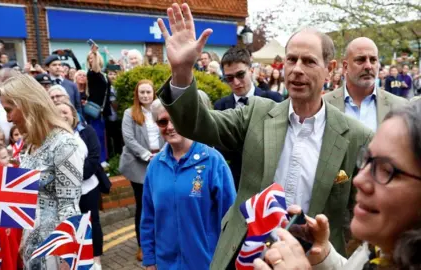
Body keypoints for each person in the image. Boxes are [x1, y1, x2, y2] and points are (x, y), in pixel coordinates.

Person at [155, 4, 373, 269]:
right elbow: (197, 124)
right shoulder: (257, 113)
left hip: (313, 261)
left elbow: (362, 216)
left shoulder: (356, 136)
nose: (296, 69)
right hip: (249, 256)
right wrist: (182, 71)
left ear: (330, 68)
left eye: (309, 61)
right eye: (291, 60)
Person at [253, 100, 421, 270]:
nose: (359, 180)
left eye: (386, 170)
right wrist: (323, 254)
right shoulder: (376, 247)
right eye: (366, 159)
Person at [0, 73, 84, 269]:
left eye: (9, 110)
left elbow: (69, 206)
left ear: (26, 104)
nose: (9, 119)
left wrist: (67, 259)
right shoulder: (29, 143)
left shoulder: (65, 143)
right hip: (31, 244)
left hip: (54, 250)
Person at [141, 99, 236, 270]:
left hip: (207, 263)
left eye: (175, 119)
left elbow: (231, 217)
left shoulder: (213, 161)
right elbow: (148, 217)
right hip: (166, 265)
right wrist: (149, 259)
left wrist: (228, 261)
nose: (170, 127)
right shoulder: (155, 167)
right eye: (163, 122)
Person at [213, 47, 283, 190]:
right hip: (234, 182)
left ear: (251, 70)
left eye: (240, 75)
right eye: (229, 78)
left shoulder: (273, 100)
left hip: (268, 182)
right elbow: (219, 148)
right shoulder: (221, 106)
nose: (236, 82)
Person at [119, 79, 164, 262]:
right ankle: (143, 246)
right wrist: (147, 155)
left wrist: (162, 154)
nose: (145, 95)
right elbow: (129, 139)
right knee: (143, 206)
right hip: (139, 164)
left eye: (148, 92)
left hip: (161, 160)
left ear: (154, 93)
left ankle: (160, 241)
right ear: (137, 95)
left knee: (161, 203)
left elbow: (168, 132)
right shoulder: (130, 113)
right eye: (141, 92)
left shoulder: (161, 110)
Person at [56, 101, 104, 270]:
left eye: (65, 112)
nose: (62, 116)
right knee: (70, 225)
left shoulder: (86, 131)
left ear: (73, 115)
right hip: (64, 192)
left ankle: (95, 259)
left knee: (92, 224)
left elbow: (94, 157)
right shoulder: (51, 138)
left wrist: (74, 177)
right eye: (58, 113)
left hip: (88, 188)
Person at [323, 37, 407, 131]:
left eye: (373, 60)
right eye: (360, 60)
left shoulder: (401, 107)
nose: (368, 66)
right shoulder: (323, 105)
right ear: (345, 67)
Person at [86, 44, 111, 163]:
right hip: (94, 111)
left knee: (103, 136)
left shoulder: (104, 75)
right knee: (97, 136)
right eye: (89, 58)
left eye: (93, 57)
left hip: (102, 110)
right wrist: (94, 53)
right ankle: (100, 160)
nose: (91, 60)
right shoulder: (91, 73)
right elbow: (96, 68)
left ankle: (104, 159)